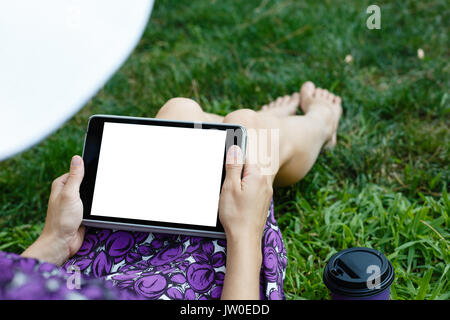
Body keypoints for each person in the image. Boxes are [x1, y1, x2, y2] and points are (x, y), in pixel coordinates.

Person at [0, 81, 342, 300]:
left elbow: (11, 282)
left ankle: (265, 130)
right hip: (210, 283)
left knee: (179, 111)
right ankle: (318, 124)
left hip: (99, 266)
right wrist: (244, 233)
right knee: (252, 131)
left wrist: (53, 241)